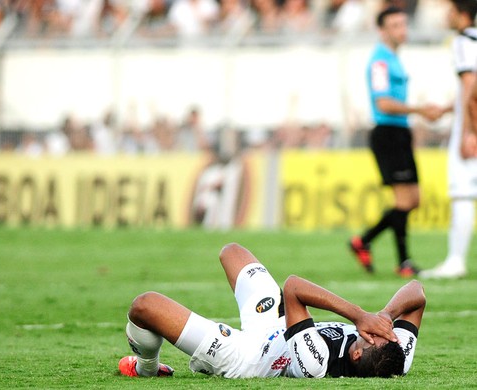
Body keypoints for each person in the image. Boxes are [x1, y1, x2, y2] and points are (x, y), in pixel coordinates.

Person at [118, 243, 425, 379]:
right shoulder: (396, 357)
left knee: (145, 306)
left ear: (357, 354)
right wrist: (385, 314)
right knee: (232, 252)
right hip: (276, 323)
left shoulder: (316, 364)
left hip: (248, 356)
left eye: (374, 335)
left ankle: (149, 368)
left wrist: (359, 316)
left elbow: (292, 287)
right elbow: (417, 292)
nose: (379, 332)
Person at [349, 6, 444, 278]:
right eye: (395, 26)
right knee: (405, 199)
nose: (402, 30)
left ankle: (364, 241)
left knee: (412, 199)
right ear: (382, 31)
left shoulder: (394, 58)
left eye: (403, 24)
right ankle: (403, 261)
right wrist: (420, 111)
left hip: (400, 132)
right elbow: (383, 102)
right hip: (388, 132)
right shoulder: (380, 61)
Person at [420, 0, 477, 279]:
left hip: (471, 126)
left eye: (450, 9)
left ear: (461, 13)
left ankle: (456, 260)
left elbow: (470, 84)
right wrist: (446, 108)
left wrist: (468, 131)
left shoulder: (463, 41)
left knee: (463, 192)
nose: (447, 14)